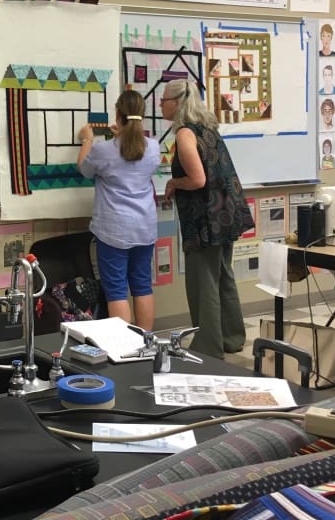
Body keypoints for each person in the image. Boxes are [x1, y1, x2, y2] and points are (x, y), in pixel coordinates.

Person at [161, 79, 252, 359]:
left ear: (177, 103)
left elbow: (197, 179)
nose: (160, 105)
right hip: (225, 214)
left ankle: (208, 346)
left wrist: (174, 183)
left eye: (164, 100)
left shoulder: (185, 134)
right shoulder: (208, 128)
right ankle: (232, 337)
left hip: (205, 220)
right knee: (223, 275)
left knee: (204, 283)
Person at [76, 90, 160, 330]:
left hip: (114, 230)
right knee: (142, 286)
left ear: (117, 114)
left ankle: (124, 346)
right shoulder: (153, 147)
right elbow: (132, 155)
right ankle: (146, 342)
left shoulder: (103, 150)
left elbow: (84, 168)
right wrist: (122, 136)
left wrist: (87, 140)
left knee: (116, 291)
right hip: (144, 227)